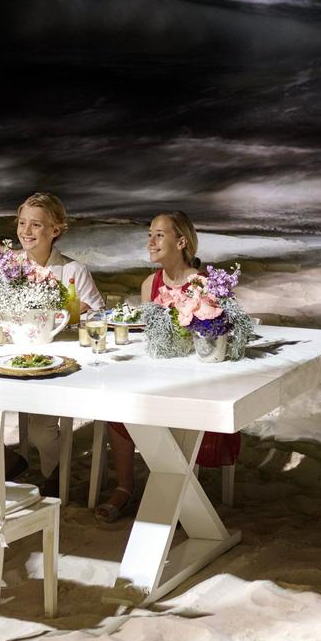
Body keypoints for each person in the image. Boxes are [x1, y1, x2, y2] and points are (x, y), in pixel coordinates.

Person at [94, 211, 241, 523]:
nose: (151, 242)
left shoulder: (203, 284)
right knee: (118, 409)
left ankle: (176, 492)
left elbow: (216, 341)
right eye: (150, 235)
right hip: (159, 374)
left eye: (159, 235)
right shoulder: (150, 284)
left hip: (195, 381)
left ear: (182, 242)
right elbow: (150, 338)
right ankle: (124, 487)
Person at [16, 192, 105, 495]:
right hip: (14, 358)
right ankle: (7, 463)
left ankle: (53, 473)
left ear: (55, 230)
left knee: (41, 432)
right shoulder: (9, 269)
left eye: (36, 224)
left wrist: (76, 314)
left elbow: (98, 315)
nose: (26, 231)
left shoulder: (73, 270)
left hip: (56, 364)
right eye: (22, 223)